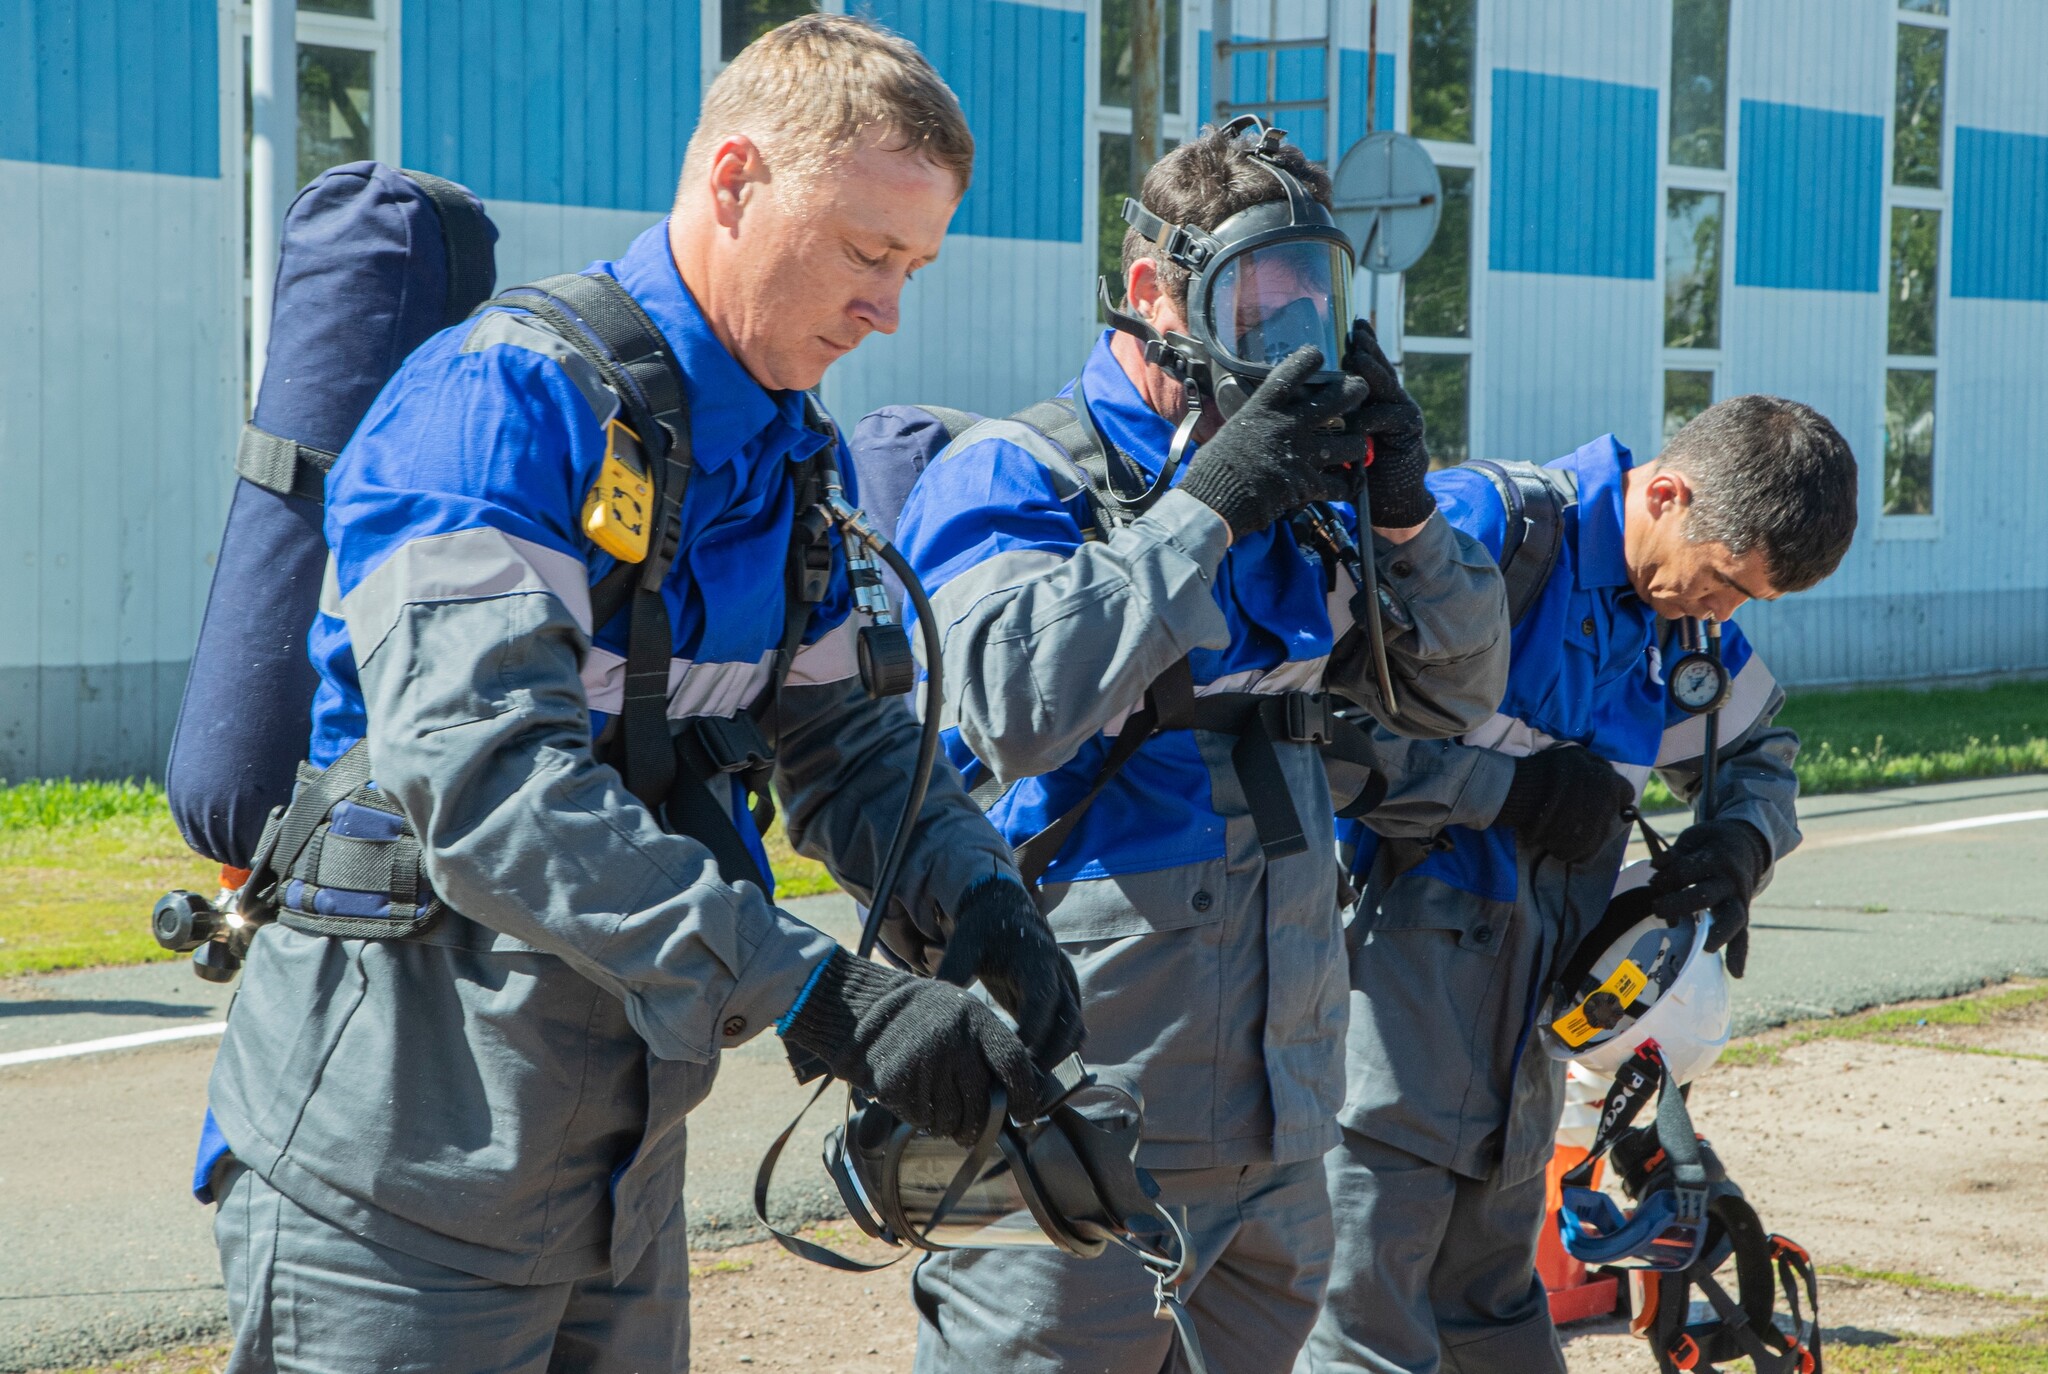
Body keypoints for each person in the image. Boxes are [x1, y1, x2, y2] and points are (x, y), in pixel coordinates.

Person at [200, 17, 1082, 1371]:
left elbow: (840, 738)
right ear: (733, 180)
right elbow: (489, 784)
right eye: (865, 251)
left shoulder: (785, 459)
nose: (890, 306)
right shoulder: (500, 405)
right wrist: (818, 990)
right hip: (396, 1184)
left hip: (617, 1181)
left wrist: (977, 893)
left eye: (913, 266)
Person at [893, 121, 1512, 1373]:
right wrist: (1205, 505)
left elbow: (1453, 695)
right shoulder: (1014, 472)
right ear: (1151, 291)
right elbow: (1007, 705)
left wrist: (1400, 519)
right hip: (1078, 1104)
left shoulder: (1303, 498)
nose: (1285, 339)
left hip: (1278, 1117)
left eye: (1309, 305)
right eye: (1253, 301)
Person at [1300, 396, 1859, 1374]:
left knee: (1491, 1328)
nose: (1718, 616)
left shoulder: (1672, 622)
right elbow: (1306, 738)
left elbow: (1759, 755)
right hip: (1374, 1049)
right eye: (1722, 582)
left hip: (1519, 1063)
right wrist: (1507, 793)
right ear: (1670, 493)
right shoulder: (1484, 537)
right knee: (1358, 1343)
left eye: (1744, 605)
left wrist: (1736, 846)